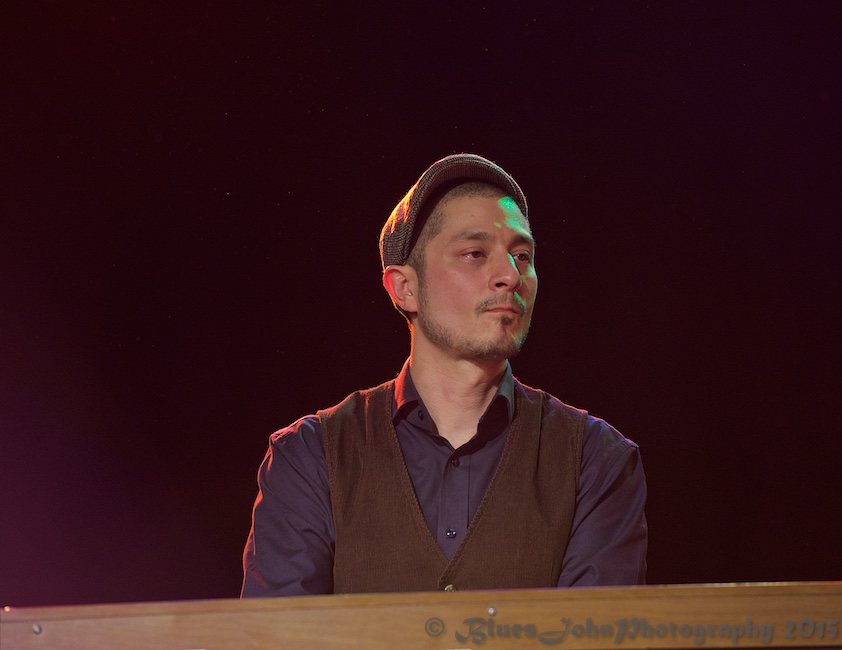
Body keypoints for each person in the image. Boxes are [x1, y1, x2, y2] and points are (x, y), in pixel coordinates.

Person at [241, 153, 647, 596]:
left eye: (522, 255)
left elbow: (595, 640)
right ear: (405, 287)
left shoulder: (595, 459)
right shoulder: (310, 457)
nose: (510, 276)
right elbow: (278, 642)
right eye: (474, 253)